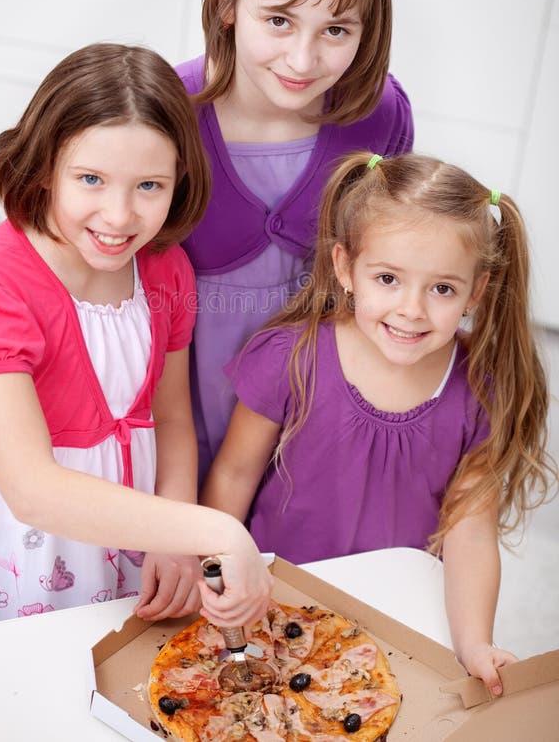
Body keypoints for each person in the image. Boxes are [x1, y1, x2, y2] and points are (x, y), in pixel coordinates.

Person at [201, 150, 557, 696]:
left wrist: (473, 642)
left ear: (476, 292)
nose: (412, 309)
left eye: (442, 289)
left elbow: (470, 525)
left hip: (395, 620)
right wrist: (217, 574)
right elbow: (233, 477)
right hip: (275, 600)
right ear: (346, 268)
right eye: (388, 278)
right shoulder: (290, 358)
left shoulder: (481, 388)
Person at [0, 43, 273, 629]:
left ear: (180, 179)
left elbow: (171, 417)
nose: (120, 215)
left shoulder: (163, 268)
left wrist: (173, 535)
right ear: (44, 166)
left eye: (149, 186)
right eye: (91, 179)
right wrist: (213, 529)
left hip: (135, 536)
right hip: (20, 551)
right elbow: (33, 490)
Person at [177, 0, 414, 485]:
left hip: (311, 427)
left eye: (336, 30)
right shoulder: (169, 109)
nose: (303, 61)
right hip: (179, 413)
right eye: (279, 20)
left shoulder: (381, 116)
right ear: (230, 3)